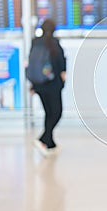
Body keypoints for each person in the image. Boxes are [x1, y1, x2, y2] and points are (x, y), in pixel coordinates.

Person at [31, 19, 66, 156]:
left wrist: (33, 85)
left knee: (48, 113)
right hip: (52, 84)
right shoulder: (54, 43)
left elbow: (32, 64)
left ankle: (50, 144)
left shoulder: (35, 42)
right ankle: (43, 139)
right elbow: (60, 63)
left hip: (39, 84)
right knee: (56, 112)